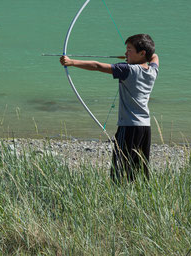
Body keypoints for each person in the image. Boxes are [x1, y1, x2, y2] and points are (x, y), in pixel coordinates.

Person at [60, 34, 159, 181]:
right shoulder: (152, 71)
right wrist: (136, 57)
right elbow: (155, 56)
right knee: (140, 170)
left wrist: (71, 62)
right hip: (145, 127)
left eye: (129, 50)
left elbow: (98, 66)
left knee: (119, 169)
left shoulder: (128, 70)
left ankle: (120, 196)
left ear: (142, 53)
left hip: (129, 127)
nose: (126, 53)